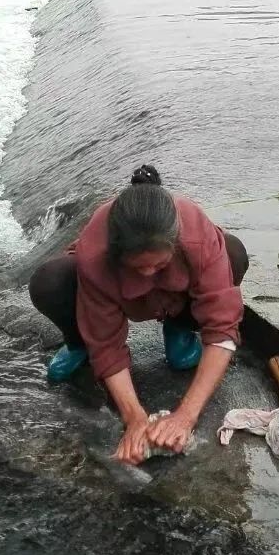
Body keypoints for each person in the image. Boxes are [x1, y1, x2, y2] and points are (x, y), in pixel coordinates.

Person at [28, 165, 248, 464]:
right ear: (117, 253)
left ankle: (181, 326)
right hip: (116, 298)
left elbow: (222, 328)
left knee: (234, 253)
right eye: (138, 267)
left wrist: (185, 416)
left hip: (177, 298)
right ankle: (79, 342)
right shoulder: (96, 253)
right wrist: (134, 419)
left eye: (158, 265)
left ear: (175, 244)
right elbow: (107, 345)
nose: (147, 273)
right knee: (51, 280)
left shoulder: (197, 235)